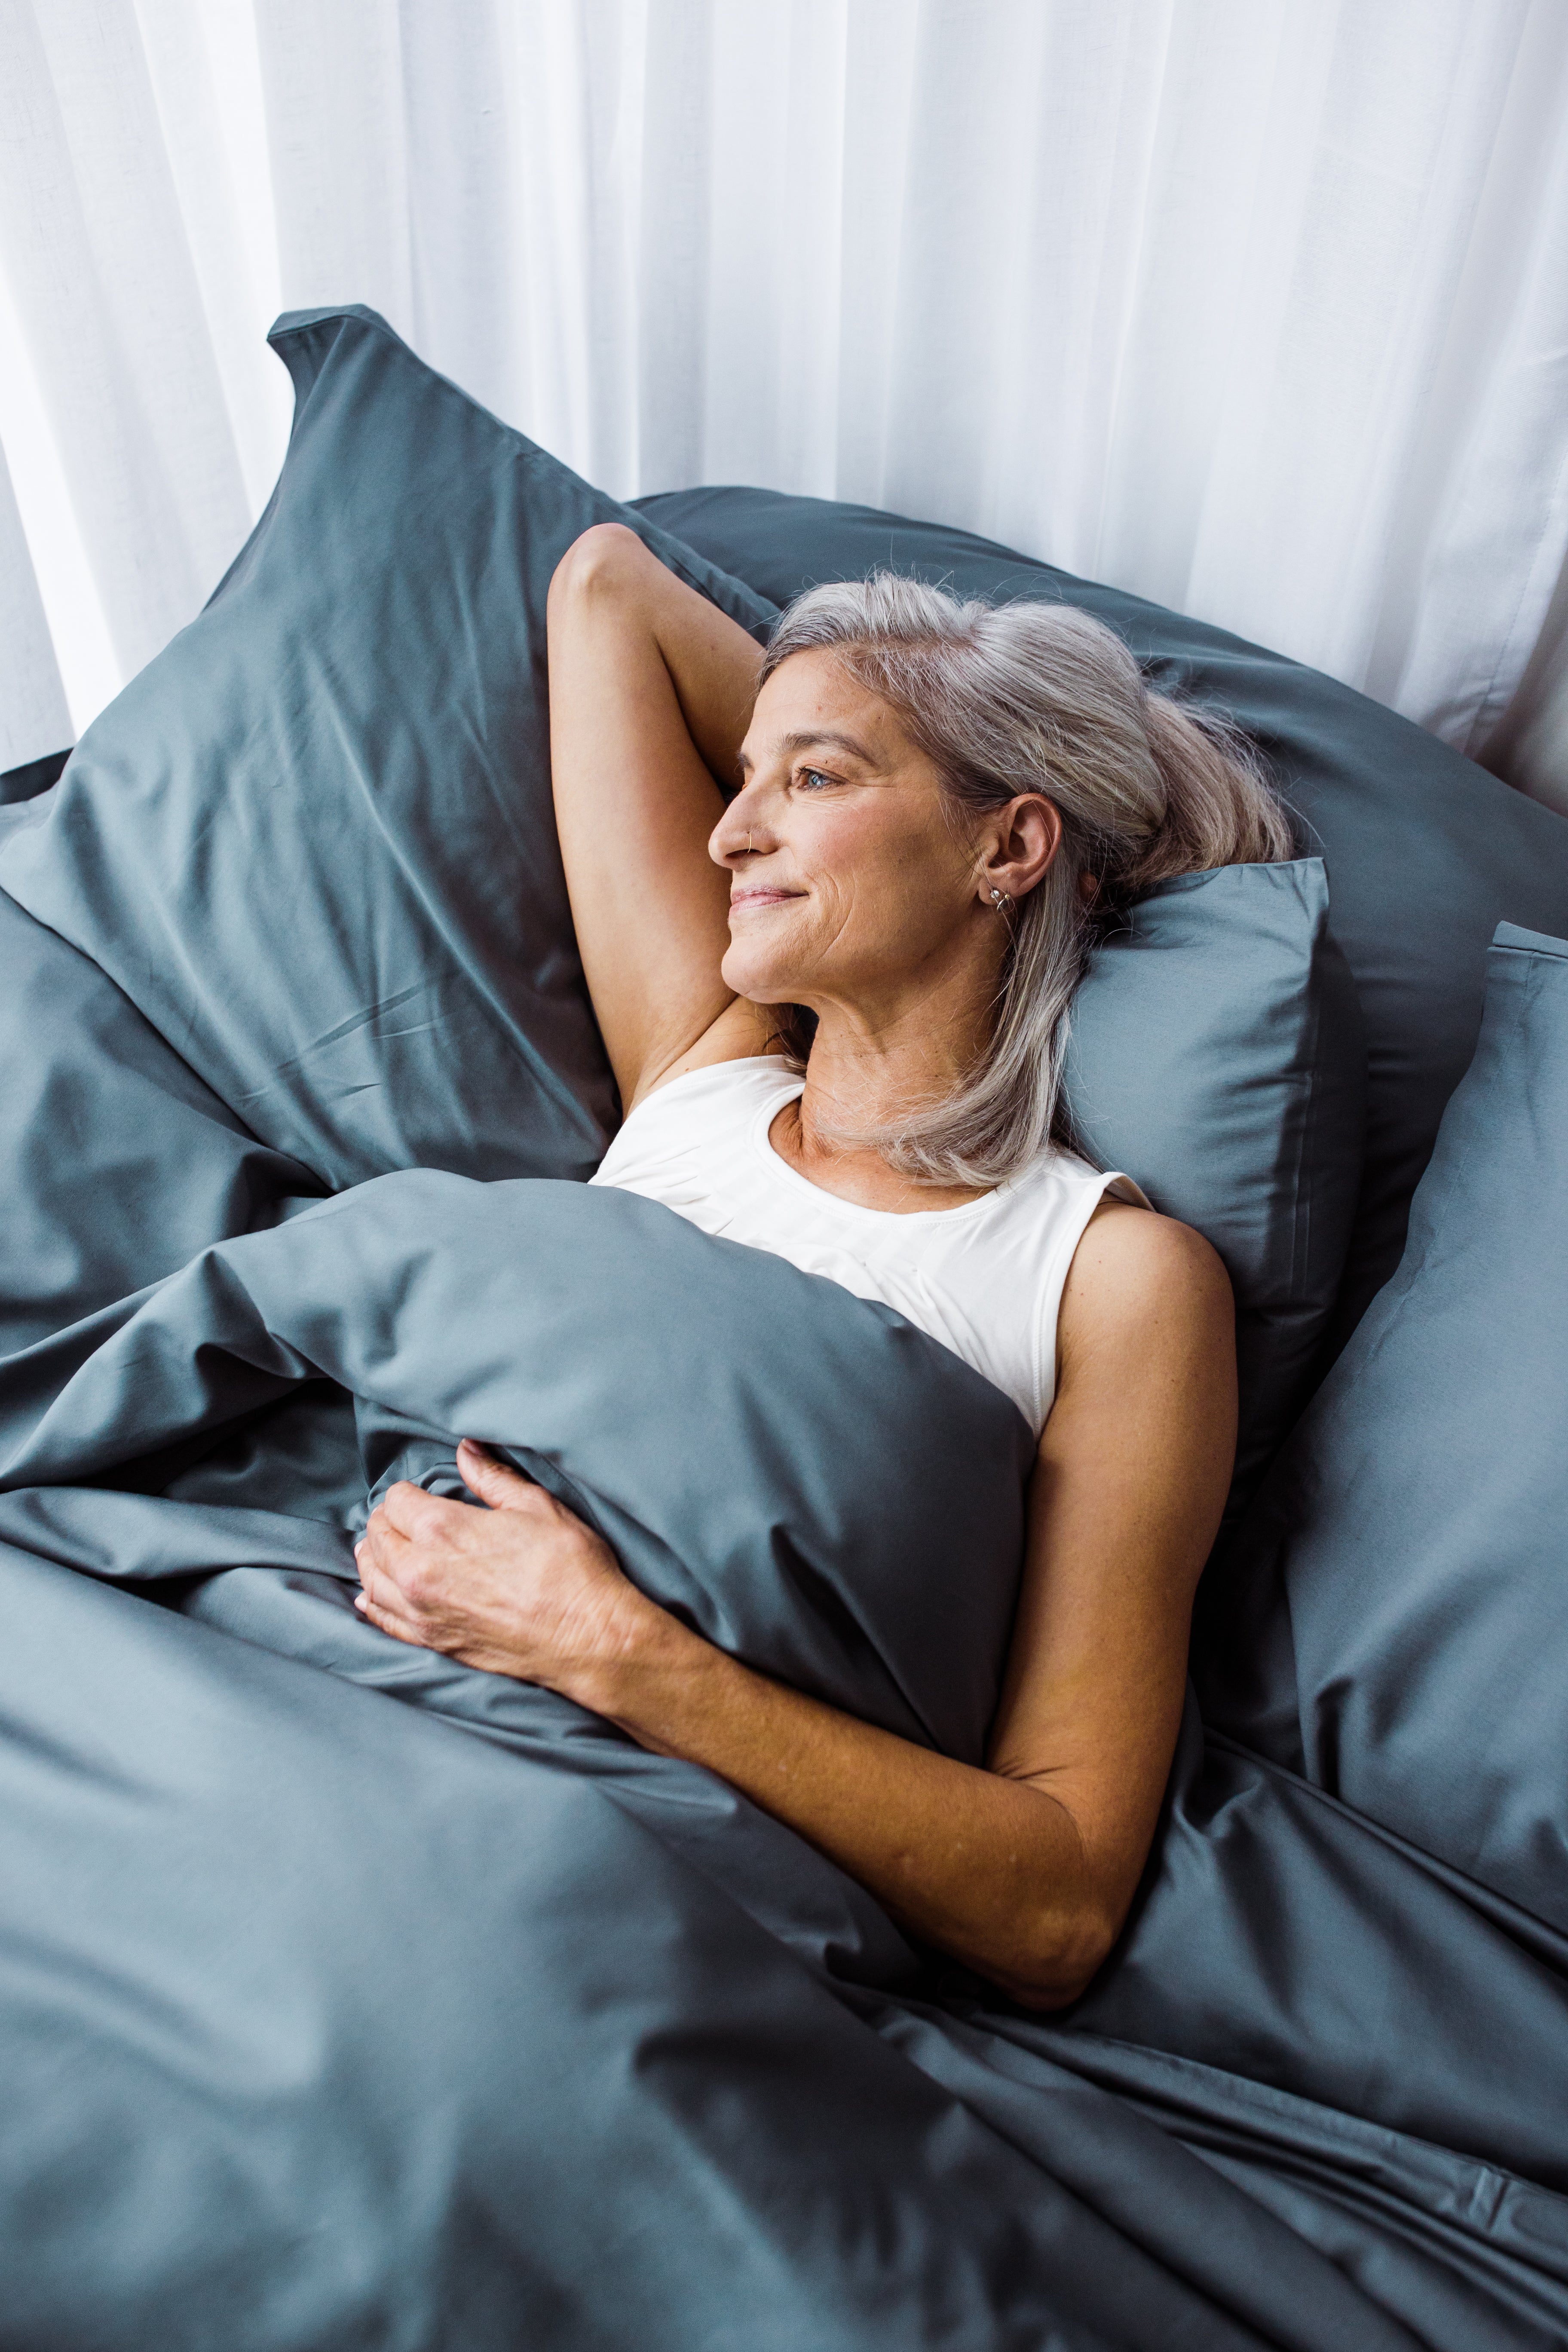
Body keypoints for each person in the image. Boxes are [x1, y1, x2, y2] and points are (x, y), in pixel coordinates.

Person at [352, 524, 1291, 2011]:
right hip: (351, 1654)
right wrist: (859, 726)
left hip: (585, 1845)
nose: (731, 833)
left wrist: (614, 1649)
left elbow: (1057, 1904)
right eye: (744, 777)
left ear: (1009, 845)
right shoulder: (705, 1069)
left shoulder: (1109, 1280)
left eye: (810, 780)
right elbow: (606, 588)